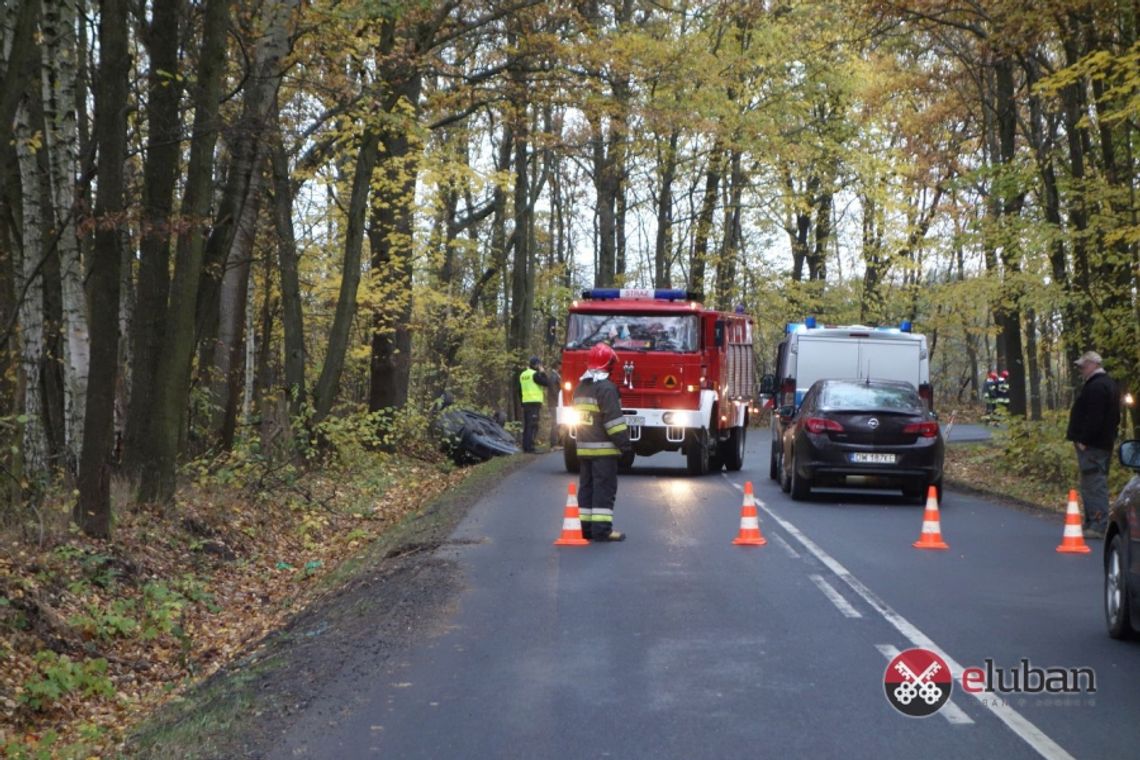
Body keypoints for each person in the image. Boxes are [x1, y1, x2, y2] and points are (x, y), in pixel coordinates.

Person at [572, 343, 631, 541]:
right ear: (609, 365)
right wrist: (625, 446)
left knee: (587, 488)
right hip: (604, 450)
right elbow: (613, 423)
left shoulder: (580, 388)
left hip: (584, 448)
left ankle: (586, 528)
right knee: (604, 489)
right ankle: (602, 530)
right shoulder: (607, 389)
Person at [1066, 351, 1121, 539]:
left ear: (1093, 365)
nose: (1081, 370)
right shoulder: (1107, 385)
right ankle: (1092, 522)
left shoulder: (1097, 387)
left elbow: (1095, 418)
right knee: (1092, 482)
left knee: (1094, 483)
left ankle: (1097, 524)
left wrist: (1084, 439)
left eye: (1083, 366)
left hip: (1093, 446)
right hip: (1101, 444)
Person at [518, 356, 550, 453]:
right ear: (536, 365)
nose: (540, 366)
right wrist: (543, 372)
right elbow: (547, 383)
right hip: (534, 403)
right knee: (533, 425)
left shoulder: (522, 375)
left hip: (526, 403)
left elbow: (519, 390)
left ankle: (525, 446)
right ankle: (530, 447)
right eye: (539, 364)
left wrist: (522, 402)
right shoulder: (535, 375)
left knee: (527, 425)